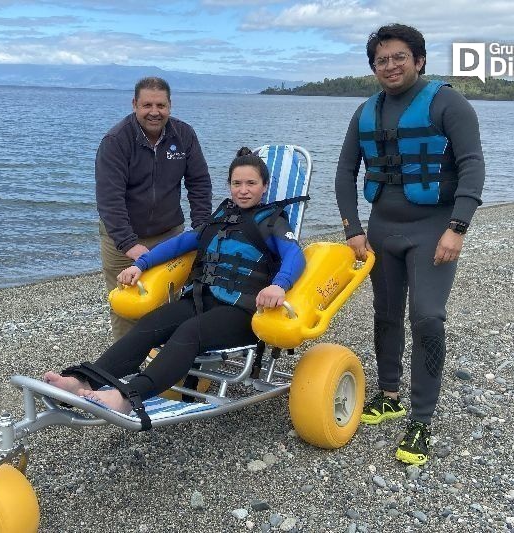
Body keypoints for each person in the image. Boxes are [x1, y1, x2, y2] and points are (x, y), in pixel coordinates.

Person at [46, 148, 305, 426]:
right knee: (149, 325)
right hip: (200, 300)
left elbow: (295, 255)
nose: (243, 190)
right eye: (236, 183)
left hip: (242, 313)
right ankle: (83, 380)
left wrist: (279, 285)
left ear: (264, 187)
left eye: (251, 183)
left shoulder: (274, 221)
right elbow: (181, 243)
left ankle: (127, 397)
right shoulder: (221, 217)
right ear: (229, 186)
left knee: (189, 332)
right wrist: (141, 264)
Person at [334, 24, 485, 465]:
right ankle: (389, 394)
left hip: (433, 228)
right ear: (373, 68)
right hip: (383, 228)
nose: (390, 65)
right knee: (385, 314)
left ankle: (421, 419)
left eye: (399, 56)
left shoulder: (448, 103)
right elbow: (345, 173)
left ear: (418, 59)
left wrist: (457, 227)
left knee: (427, 318)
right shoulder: (365, 111)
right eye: (382, 60)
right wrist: (352, 228)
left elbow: (473, 165)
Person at [96, 76, 212, 341]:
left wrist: (202, 227)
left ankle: (166, 360)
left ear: (170, 105)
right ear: (134, 104)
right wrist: (129, 244)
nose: (154, 112)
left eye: (161, 105)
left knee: (171, 299)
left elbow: (199, 183)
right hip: (121, 237)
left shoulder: (184, 135)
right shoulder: (115, 141)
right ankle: (125, 369)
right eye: (147, 105)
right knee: (127, 303)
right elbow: (108, 199)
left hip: (169, 232)